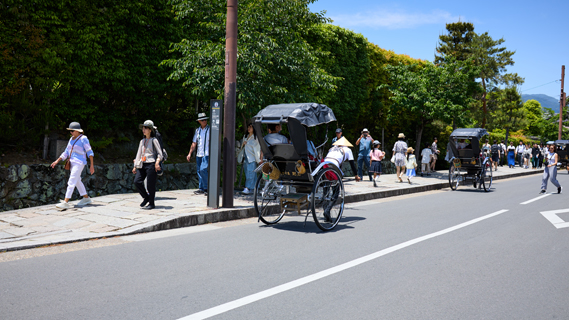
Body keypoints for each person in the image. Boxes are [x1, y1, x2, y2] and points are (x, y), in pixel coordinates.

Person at [51, 122, 95, 210]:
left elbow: (90, 152)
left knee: (72, 180)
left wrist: (92, 165)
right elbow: (66, 152)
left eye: (72, 130)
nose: (71, 132)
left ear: (78, 131)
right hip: (72, 163)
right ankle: (86, 198)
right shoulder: (71, 139)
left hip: (79, 163)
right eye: (70, 131)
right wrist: (57, 161)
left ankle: (65, 202)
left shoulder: (83, 138)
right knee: (77, 180)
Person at [133, 120, 163, 209]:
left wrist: (157, 162)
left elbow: (160, 153)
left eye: (146, 128)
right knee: (137, 181)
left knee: (150, 184)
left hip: (151, 164)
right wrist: (135, 166)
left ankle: (151, 203)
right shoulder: (142, 141)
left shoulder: (154, 140)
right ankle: (146, 197)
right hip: (142, 164)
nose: (144, 130)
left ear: (150, 130)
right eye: (143, 128)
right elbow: (138, 154)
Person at [187, 113, 210, 195]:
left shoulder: (210, 129)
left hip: (207, 153)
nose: (204, 121)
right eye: (203, 120)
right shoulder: (197, 130)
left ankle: (207, 188)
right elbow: (194, 143)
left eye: (205, 119)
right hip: (199, 154)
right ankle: (201, 188)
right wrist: (189, 153)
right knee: (199, 171)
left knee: (203, 169)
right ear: (199, 121)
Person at [239, 123, 263, 195]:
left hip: (252, 157)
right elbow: (242, 147)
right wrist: (243, 144)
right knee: (249, 173)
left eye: (251, 127)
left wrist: (259, 159)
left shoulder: (255, 138)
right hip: (246, 157)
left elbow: (258, 148)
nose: (249, 128)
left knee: (250, 173)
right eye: (248, 127)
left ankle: (247, 188)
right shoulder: (245, 136)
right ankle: (255, 187)